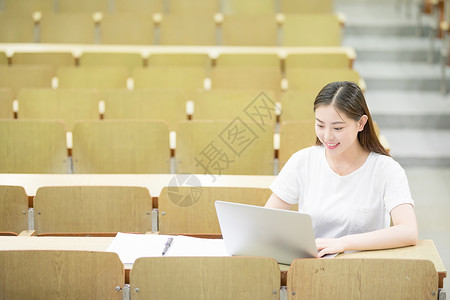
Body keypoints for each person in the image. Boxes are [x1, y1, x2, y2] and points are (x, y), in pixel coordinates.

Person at [266, 81, 418, 257]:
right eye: (320, 125)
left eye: (338, 128)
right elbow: (267, 221)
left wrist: (342, 243)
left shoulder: (386, 169)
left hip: (364, 270)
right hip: (311, 268)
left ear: (361, 123)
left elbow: (408, 231)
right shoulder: (302, 161)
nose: (328, 136)